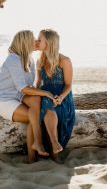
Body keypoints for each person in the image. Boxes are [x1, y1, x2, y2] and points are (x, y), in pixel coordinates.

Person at [0, 30, 55, 163]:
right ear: (25, 42)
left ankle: (34, 151)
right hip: (4, 99)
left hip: (19, 96)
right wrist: (46, 93)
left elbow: (29, 87)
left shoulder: (30, 59)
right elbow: (22, 87)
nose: (36, 42)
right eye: (34, 40)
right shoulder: (13, 58)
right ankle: (35, 149)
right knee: (34, 115)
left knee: (37, 101)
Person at [36, 29, 75, 161]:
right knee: (47, 102)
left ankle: (54, 148)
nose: (37, 41)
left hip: (62, 96)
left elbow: (69, 85)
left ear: (48, 43)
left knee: (50, 104)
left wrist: (61, 97)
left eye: (39, 39)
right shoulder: (40, 61)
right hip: (46, 94)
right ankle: (54, 145)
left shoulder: (64, 60)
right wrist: (36, 96)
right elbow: (38, 83)